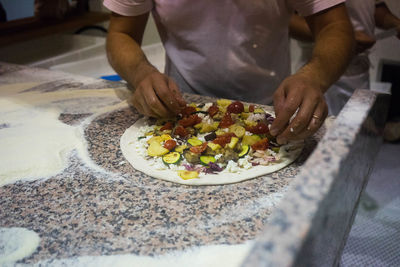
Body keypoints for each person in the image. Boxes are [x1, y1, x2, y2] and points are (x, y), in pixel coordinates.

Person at [103, 0, 354, 144]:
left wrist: (313, 77)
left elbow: (335, 26)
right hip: (177, 107)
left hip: (271, 110)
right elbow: (120, 32)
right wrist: (141, 73)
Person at [290, 0, 400, 116]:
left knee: (356, 129)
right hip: (319, 67)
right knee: (316, 128)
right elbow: (288, 19)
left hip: (359, 69)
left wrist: (395, 23)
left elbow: (373, 6)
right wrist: (342, 37)